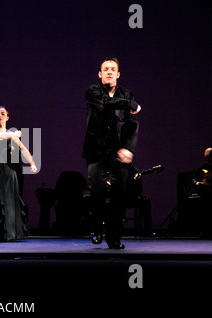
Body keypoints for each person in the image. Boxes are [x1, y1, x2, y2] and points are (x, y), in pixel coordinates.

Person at [82, 57, 141, 249]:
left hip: (119, 150)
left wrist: (129, 148)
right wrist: (130, 104)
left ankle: (114, 237)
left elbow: (133, 124)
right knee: (96, 190)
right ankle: (97, 228)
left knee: (120, 195)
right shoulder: (93, 91)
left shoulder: (126, 94)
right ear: (100, 74)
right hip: (96, 149)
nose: (109, 71)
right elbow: (106, 103)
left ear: (118, 74)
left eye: (112, 69)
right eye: (105, 69)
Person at [0, 106, 37, 242]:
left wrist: (32, 163)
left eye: (3, 114)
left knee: (10, 201)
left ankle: (10, 234)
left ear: (7, 118)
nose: (0, 115)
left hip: (9, 172)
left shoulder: (12, 135)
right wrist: (14, 134)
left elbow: (23, 149)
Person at [191, 148, 212, 237]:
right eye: (206, 156)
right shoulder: (204, 167)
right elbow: (194, 175)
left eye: (209, 156)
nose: (207, 158)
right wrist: (196, 182)